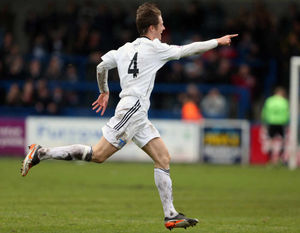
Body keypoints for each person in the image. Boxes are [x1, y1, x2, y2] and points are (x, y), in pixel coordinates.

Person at [21, 2, 238, 230]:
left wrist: (104, 90)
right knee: (98, 155)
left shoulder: (124, 49)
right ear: (152, 27)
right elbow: (187, 50)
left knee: (163, 157)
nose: (164, 28)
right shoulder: (156, 48)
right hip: (133, 110)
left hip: (138, 114)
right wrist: (218, 41)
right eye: (162, 23)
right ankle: (42, 153)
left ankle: (170, 214)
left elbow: (101, 67)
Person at [261, 87, 290, 164]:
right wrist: (287, 122)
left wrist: (264, 120)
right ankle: (280, 157)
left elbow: (264, 111)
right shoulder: (284, 101)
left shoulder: (269, 100)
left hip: (271, 122)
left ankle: (270, 158)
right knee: (283, 141)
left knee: (270, 140)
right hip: (281, 123)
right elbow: (287, 113)